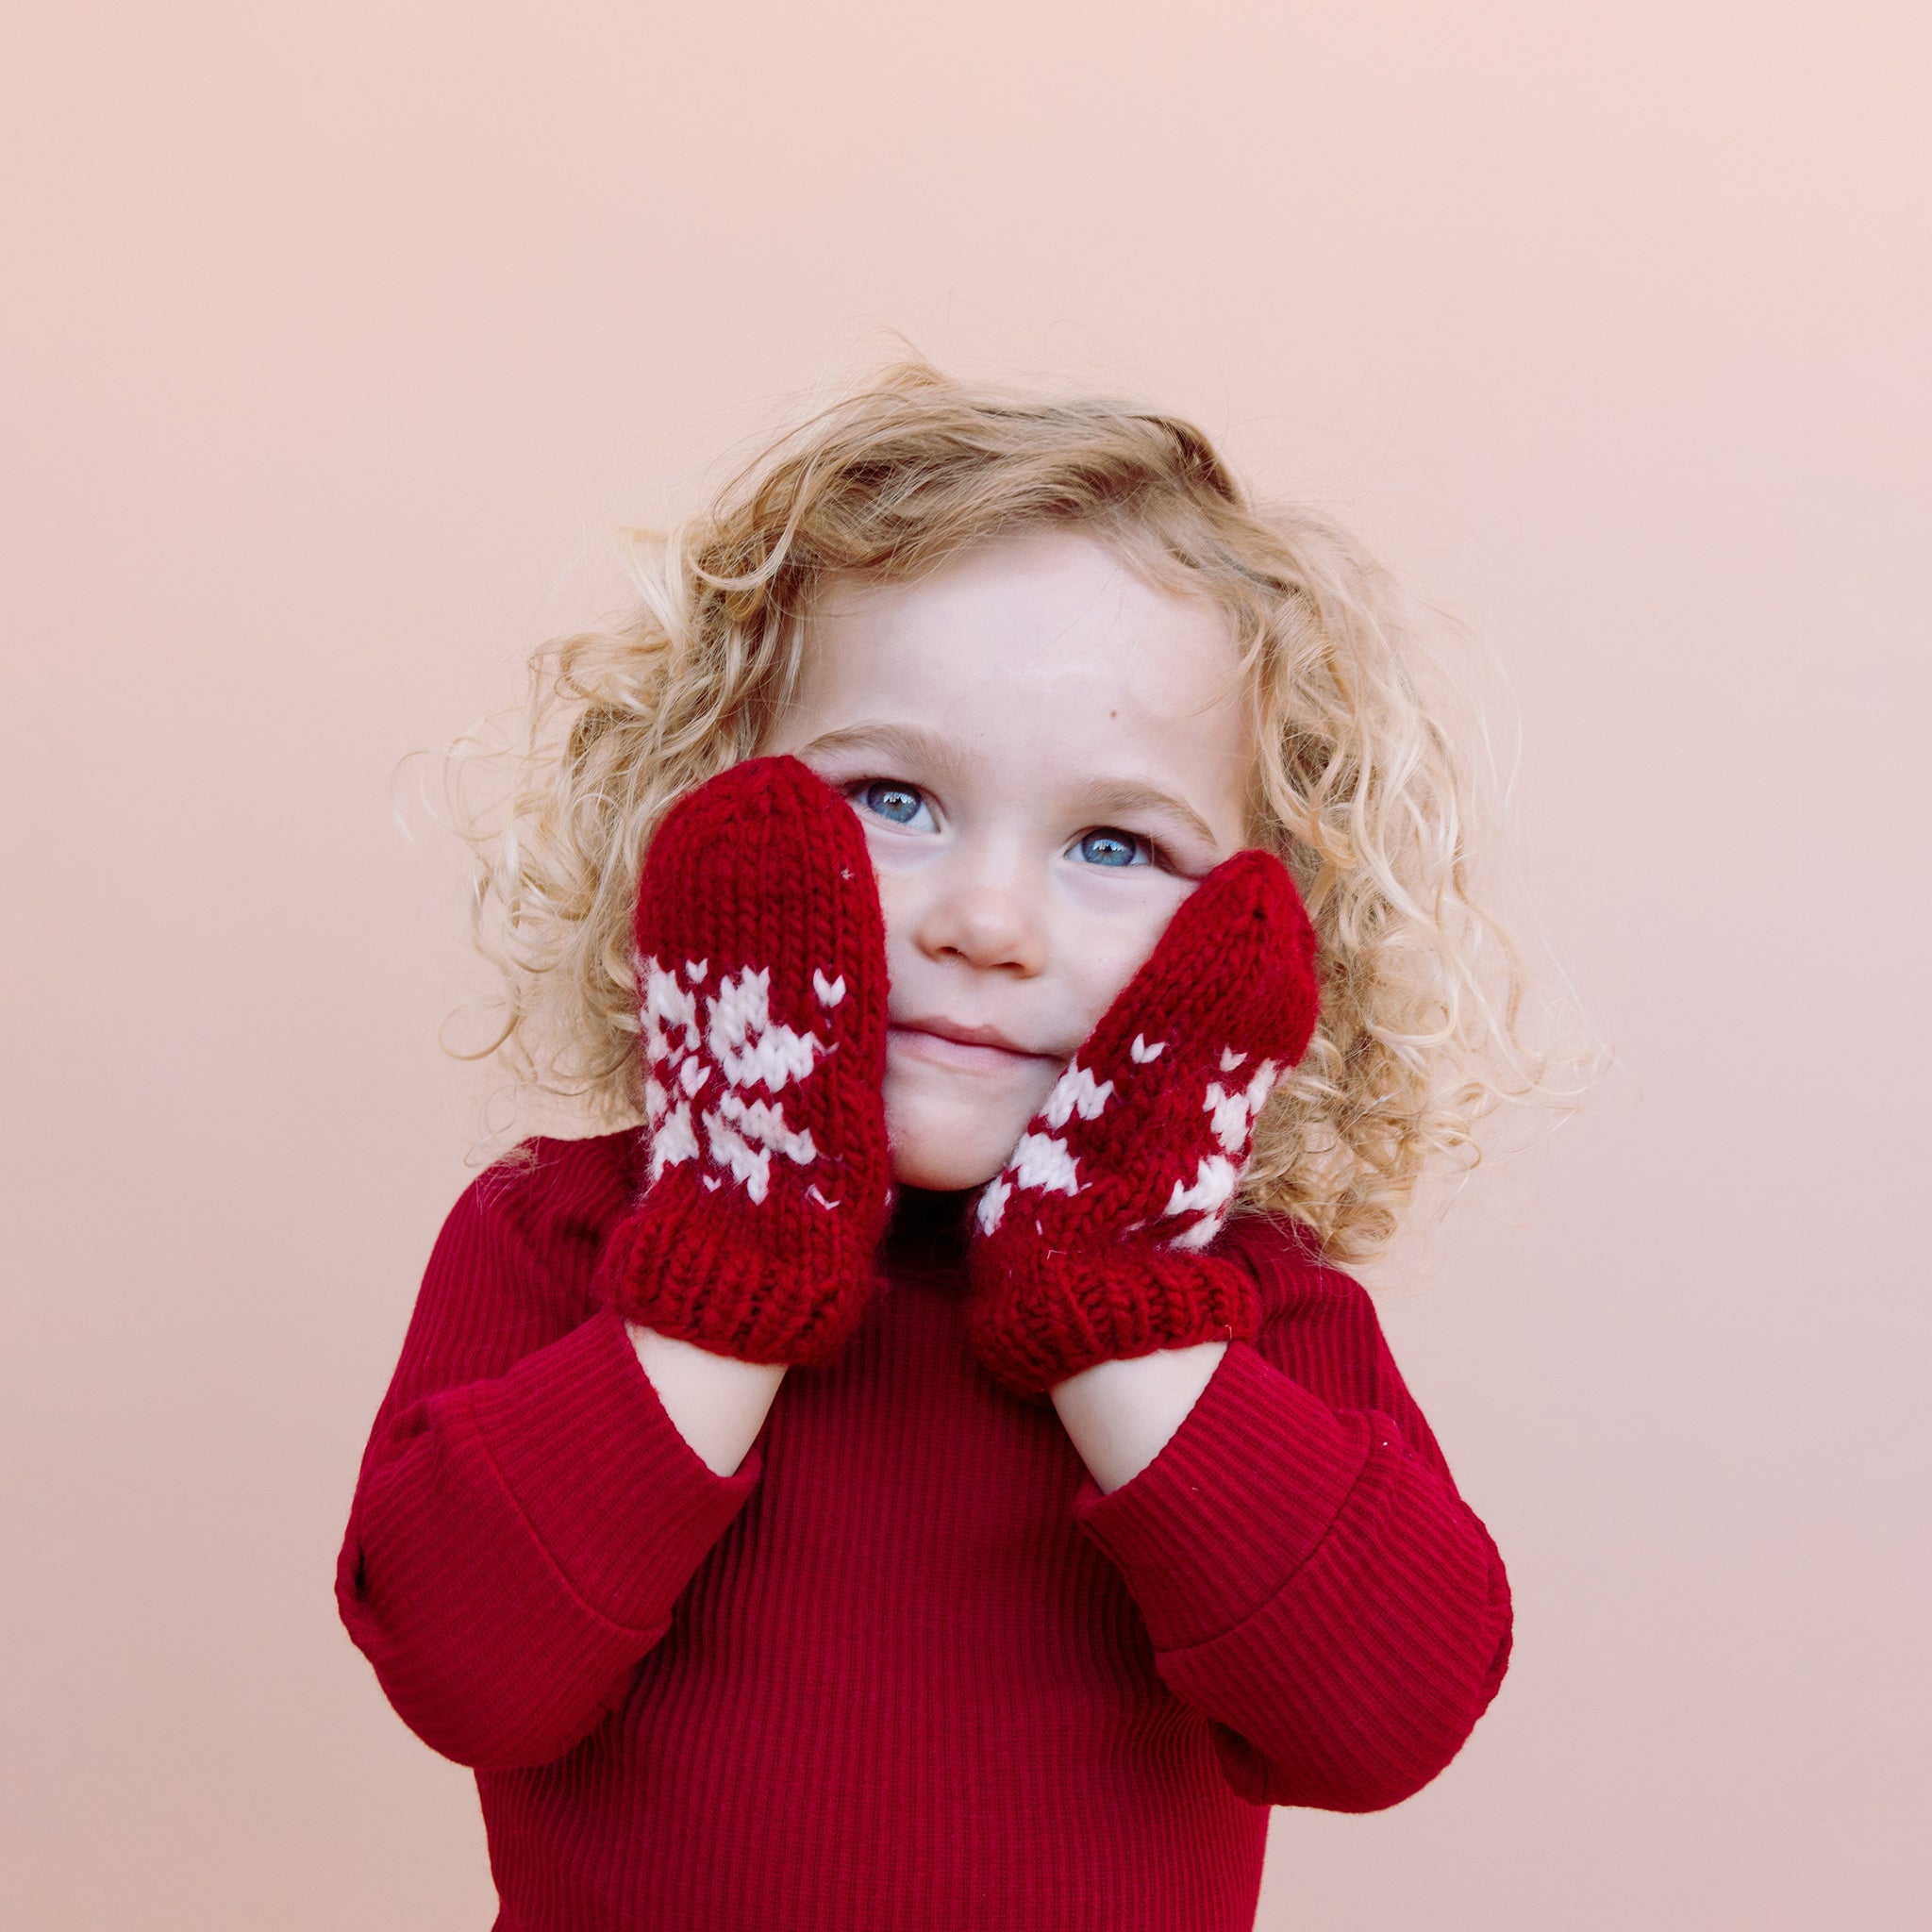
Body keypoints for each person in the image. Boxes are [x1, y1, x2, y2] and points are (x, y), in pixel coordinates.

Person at [336, 362, 1571, 1930]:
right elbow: (465, 1672)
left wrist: (1107, 1299)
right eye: (893, 798)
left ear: (1260, 919)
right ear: (708, 801)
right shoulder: (565, 1243)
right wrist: (734, 1250)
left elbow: (1381, 1720)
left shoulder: (1254, 1320)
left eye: (1115, 843)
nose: (985, 923)